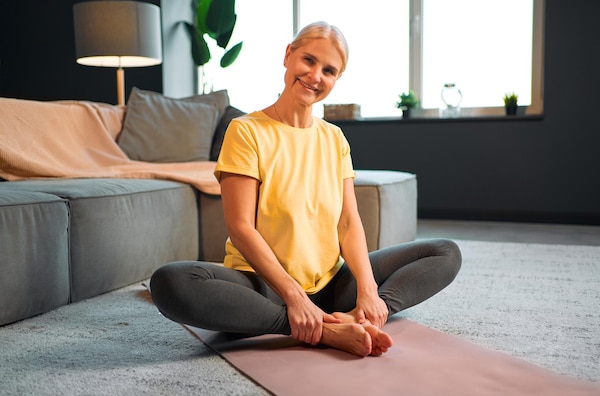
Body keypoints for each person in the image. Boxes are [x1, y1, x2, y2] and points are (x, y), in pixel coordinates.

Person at [150, 21, 461, 357]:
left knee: (445, 252)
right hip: (265, 289)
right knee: (170, 282)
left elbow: (348, 222)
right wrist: (295, 298)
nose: (315, 76)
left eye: (329, 70)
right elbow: (241, 228)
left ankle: (357, 317)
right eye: (309, 61)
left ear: (337, 79)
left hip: (333, 284)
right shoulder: (246, 131)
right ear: (288, 55)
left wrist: (369, 293)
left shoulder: (334, 138)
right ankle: (321, 330)